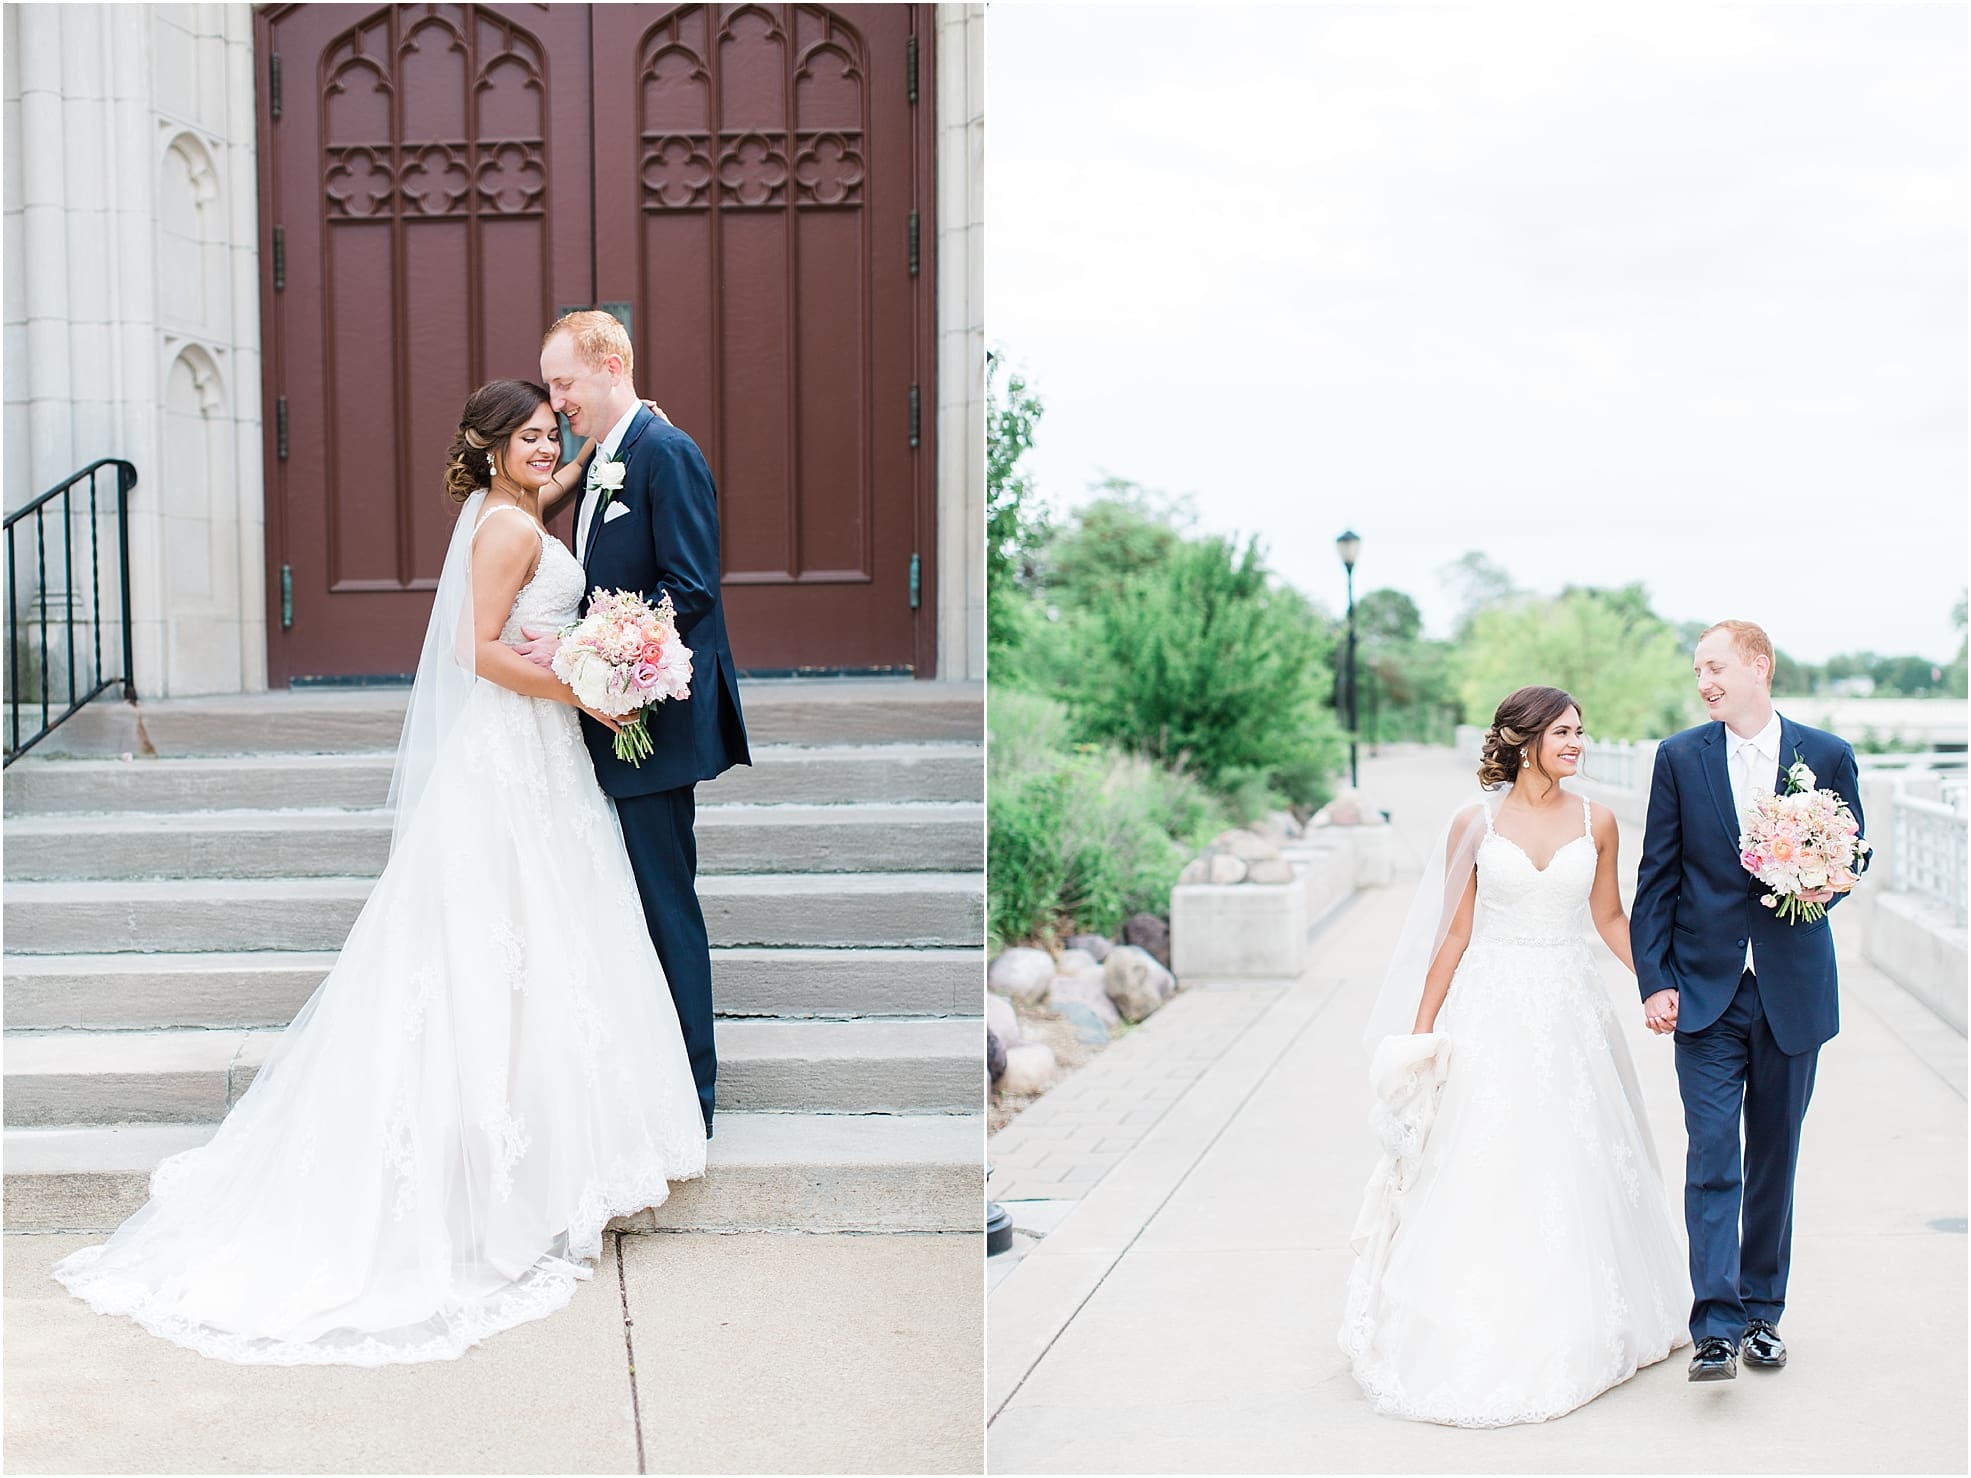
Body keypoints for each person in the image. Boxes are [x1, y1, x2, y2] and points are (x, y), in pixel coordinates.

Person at [51, 380, 708, 1364]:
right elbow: (476, 652)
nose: (545, 447)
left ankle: (551, 1148)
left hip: (539, 758)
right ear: (491, 447)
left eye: (550, 433)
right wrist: (583, 679)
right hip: (512, 753)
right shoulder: (503, 530)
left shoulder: (519, 511)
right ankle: (510, 1172)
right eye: (528, 436)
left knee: (545, 941)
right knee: (504, 946)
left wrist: (613, 452)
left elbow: (545, 550)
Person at [1340, 685, 1687, 1426]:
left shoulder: (1596, 821)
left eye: (1580, 732)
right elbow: (1452, 937)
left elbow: (1607, 917)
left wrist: (1660, 986)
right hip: (1491, 1007)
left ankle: (1582, 1312)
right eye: (1563, 731)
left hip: (1571, 1009)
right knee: (1486, 1155)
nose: (1577, 743)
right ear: (1523, 737)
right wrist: (1421, 1035)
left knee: (1572, 1155)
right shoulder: (1475, 821)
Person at [520, 310, 750, 1138]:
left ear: (611, 365)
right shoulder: (604, 462)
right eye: (552, 385)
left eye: (564, 382)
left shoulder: (666, 454)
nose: (557, 401)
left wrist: (582, 646)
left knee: (664, 905)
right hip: (610, 717)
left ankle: (693, 1099)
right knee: (627, 905)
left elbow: (690, 592)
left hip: (650, 722)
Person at [1632, 620, 1864, 1381]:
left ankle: (1763, 1315)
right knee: (1710, 1155)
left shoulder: (1824, 755)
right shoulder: (1677, 758)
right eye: (1698, 670)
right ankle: (1714, 1326)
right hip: (1704, 992)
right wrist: (1655, 978)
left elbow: (1852, 851)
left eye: (1716, 666)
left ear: (1758, 666)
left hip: (1791, 991)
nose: (1704, 681)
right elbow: (1656, 878)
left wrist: (1828, 881)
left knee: (1774, 1157)